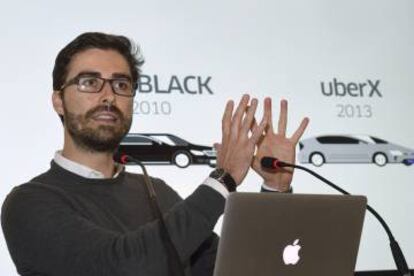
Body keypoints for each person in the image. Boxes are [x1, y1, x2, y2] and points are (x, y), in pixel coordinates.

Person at [1, 32, 309, 276]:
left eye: (121, 84)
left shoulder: (155, 191)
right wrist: (223, 178)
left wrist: (274, 188)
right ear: (58, 101)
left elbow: (240, 269)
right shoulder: (29, 202)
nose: (108, 96)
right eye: (90, 82)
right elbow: (124, 266)